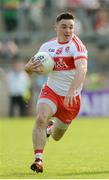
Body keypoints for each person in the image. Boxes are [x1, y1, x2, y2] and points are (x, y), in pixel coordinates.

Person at [25, 12, 88, 173]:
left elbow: (82, 68)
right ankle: (38, 160)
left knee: (57, 136)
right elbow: (31, 67)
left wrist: (72, 90)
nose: (68, 30)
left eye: (71, 27)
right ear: (56, 27)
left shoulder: (77, 46)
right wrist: (28, 69)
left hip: (70, 98)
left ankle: (50, 129)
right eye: (64, 27)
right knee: (40, 118)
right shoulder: (47, 47)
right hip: (51, 91)